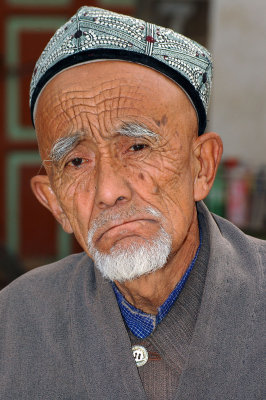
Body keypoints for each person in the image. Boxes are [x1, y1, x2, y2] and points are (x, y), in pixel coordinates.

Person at [0, 6, 264, 400]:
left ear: (201, 167)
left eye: (137, 147)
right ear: (55, 202)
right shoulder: (13, 322)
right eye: (76, 162)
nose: (109, 191)